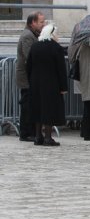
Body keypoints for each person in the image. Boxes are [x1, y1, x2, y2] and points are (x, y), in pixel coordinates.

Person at [25, 24, 67, 146]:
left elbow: (28, 66)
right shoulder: (55, 48)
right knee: (49, 110)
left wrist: (31, 81)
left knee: (38, 109)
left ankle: (38, 137)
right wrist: (63, 87)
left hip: (35, 84)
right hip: (51, 84)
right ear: (52, 34)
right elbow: (61, 69)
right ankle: (48, 137)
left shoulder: (35, 46)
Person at [16, 11, 45, 142]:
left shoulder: (34, 34)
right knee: (27, 105)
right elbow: (30, 56)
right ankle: (26, 133)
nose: (43, 25)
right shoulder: (28, 36)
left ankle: (31, 131)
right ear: (32, 22)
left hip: (31, 77)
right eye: (41, 22)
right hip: (26, 78)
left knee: (31, 104)